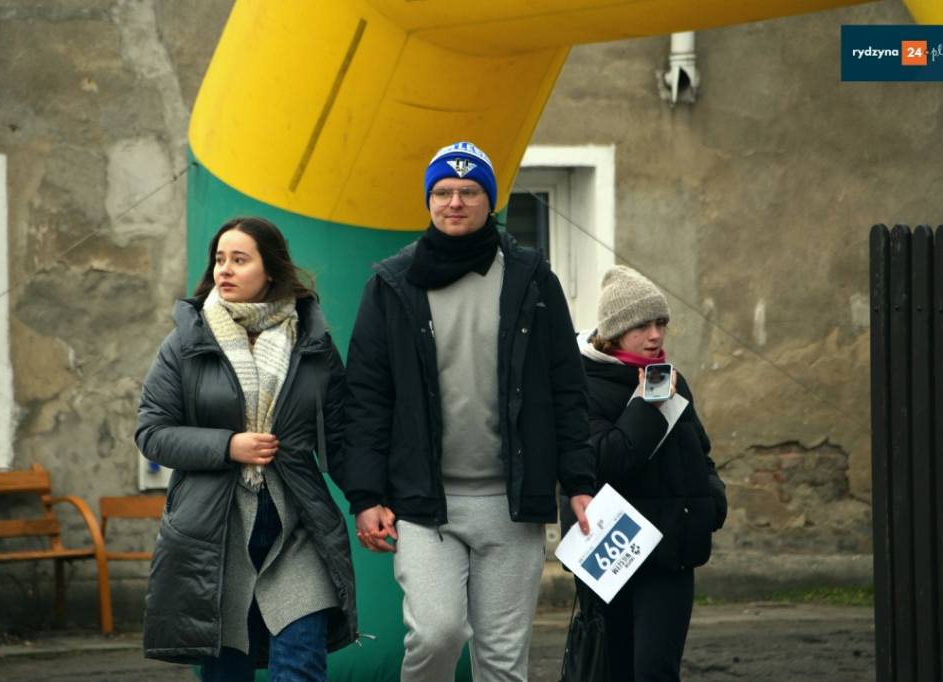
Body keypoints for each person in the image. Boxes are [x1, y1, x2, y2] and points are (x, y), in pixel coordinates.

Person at [341, 141, 596, 682]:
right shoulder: (391, 284)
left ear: (490, 201)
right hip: (424, 505)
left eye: (469, 191)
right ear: (428, 200)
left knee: (503, 659)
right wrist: (365, 496)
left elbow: (567, 389)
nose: (455, 202)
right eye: (443, 191)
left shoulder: (532, 280)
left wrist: (579, 481)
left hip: (512, 505)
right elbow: (365, 398)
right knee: (437, 634)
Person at [135, 216, 357, 682]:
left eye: (240, 260)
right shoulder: (186, 342)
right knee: (227, 672)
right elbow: (152, 432)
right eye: (220, 259)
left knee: (301, 665)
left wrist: (371, 501)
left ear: (270, 270)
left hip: (296, 527)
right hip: (216, 534)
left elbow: (342, 439)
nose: (225, 270)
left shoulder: (312, 343)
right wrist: (228, 445)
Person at [575, 265, 728, 682]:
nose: (656, 335)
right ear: (614, 331)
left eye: (660, 323)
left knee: (655, 671)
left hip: (670, 554)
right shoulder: (583, 385)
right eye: (642, 326)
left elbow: (699, 452)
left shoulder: (672, 380)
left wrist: (712, 502)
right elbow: (605, 460)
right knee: (614, 670)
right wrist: (646, 405)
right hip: (612, 552)